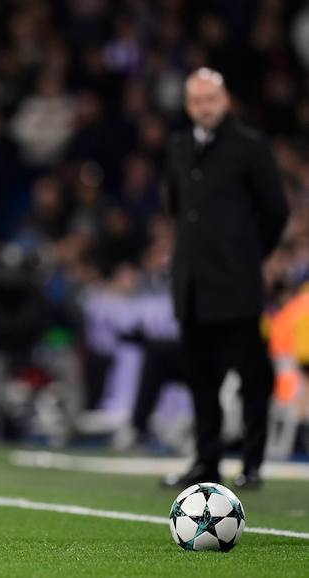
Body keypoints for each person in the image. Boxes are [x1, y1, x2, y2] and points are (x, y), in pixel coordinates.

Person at [161, 68, 289, 489]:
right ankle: (207, 462)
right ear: (187, 105)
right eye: (197, 100)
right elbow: (176, 208)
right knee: (201, 381)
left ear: (226, 100)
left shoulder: (250, 147)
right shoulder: (179, 147)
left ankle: (252, 464)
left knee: (252, 377)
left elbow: (276, 210)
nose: (205, 107)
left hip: (236, 284)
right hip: (193, 286)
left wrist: (252, 256)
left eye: (211, 99)